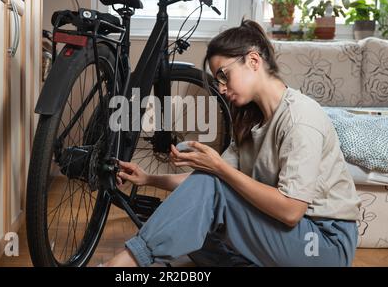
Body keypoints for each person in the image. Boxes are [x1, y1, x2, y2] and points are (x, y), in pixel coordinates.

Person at [102, 19, 361, 267]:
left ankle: (123, 263)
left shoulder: (300, 118)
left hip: (321, 244)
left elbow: (291, 210)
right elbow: (204, 187)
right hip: (288, 235)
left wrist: (219, 168)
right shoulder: (251, 121)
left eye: (224, 75)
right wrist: (150, 179)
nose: (222, 89)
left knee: (194, 215)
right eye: (218, 80)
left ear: (253, 61)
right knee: (192, 224)